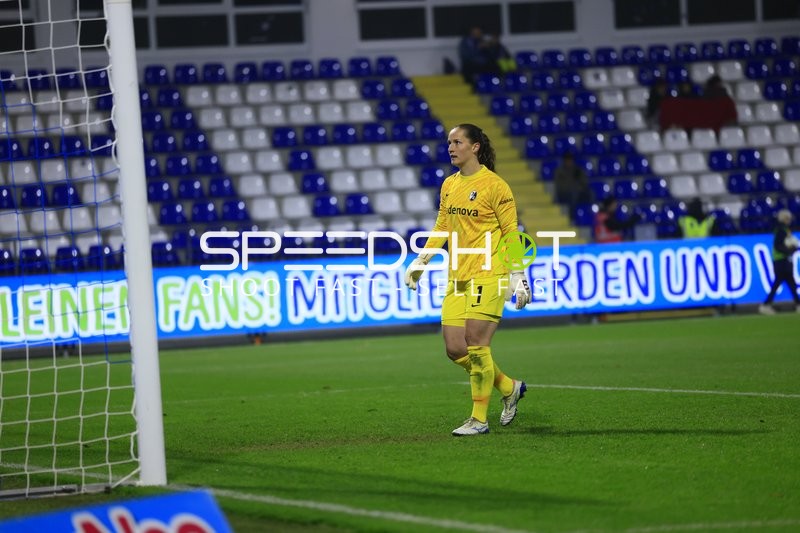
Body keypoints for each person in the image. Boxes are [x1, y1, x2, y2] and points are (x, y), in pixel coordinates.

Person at [404, 123, 532, 436]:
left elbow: (511, 233)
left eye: (458, 142)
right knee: (454, 348)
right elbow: (442, 227)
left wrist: (518, 275)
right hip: (458, 276)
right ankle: (509, 387)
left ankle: (479, 419)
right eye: (449, 142)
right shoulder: (449, 184)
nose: (451, 147)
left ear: (475, 147)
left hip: (489, 273)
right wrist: (421, 260)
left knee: (476, 344)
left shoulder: (495, 186)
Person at [759, 209, 800, 315]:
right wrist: (790, 250)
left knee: (788, 283)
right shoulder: (781, 231)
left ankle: (767, 305)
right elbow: (778, 246)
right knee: (785, 283)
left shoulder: (783, 230)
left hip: (782, 260)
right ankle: (766, 305)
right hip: (782, 261)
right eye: (788, 218)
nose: (790, 220)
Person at [553, 152, 591, 218]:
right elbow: (559, 186)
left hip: (578, 192)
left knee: (590, 194)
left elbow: (584, 182)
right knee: (573, 195)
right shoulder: (560, 171)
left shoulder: (578, 170)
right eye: (567, 160)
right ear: (564, 161)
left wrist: (578, 188)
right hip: (564, 194)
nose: (569, 162)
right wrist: (573, 187)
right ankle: (573, 218)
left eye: (570, 160)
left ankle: (590, 216)